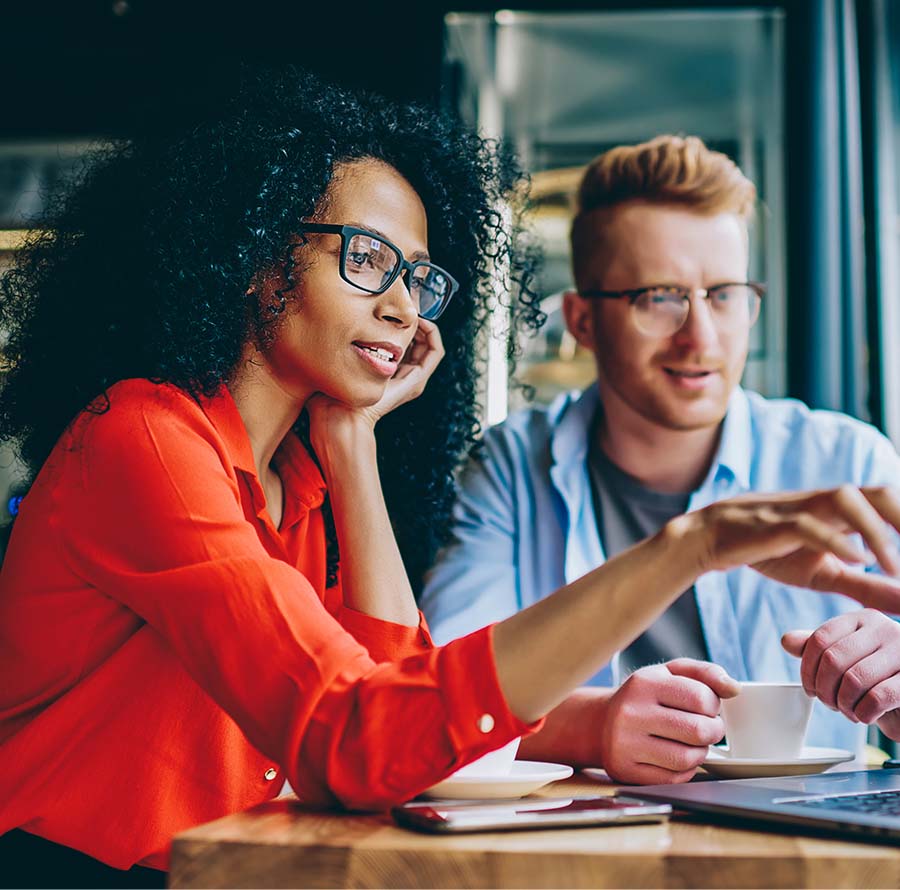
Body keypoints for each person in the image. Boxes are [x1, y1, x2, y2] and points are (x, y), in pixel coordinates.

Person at [1, 73, 899, 887]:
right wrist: (690, 546)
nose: (401, 304)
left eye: (419, 279)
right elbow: (356, 740)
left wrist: (351, 446)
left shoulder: (301, 480)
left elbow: (404, 722)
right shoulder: (143, 439)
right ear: (260, 259)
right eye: (366, 260)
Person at [420, 134, 900, 783]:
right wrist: (593, 727)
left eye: (725, 294)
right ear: (583, 321)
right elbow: (439, 698)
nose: (701, 336)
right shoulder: (511, 466)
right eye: (660, 297)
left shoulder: (847, 460)